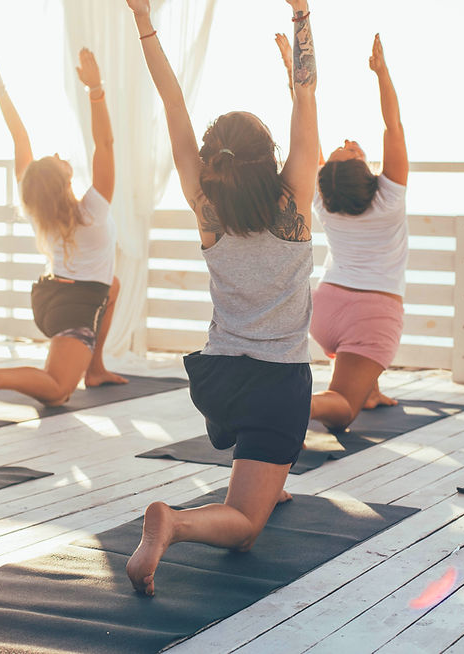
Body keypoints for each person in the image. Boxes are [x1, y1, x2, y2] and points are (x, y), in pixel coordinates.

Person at [123, 0, 319, 596]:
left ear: (215, 160)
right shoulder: (294, 206)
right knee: (244, 527)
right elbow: (307, 99)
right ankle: (174, 524)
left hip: (217, 382)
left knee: (263, 467)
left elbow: (173, 102)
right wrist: (302, 16)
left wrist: (143, 20)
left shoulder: (204, 205)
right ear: (272, 159)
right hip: (275, 384)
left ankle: (268, 475)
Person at [0, 47, 126, 421]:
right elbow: (105, 145)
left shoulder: (39, 208)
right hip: (76, 304)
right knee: (57, 392)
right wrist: (95, 89)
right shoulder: (92, 210)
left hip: (52, 294)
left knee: (114, 285)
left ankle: (95, 367)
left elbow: (19, 138)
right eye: (55, 158)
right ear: (64, 179)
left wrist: (0, 87)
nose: (56, 152)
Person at [276, 31, 408, 430]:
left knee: (360, 362)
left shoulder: (322, 198)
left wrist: (290, 71)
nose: (350, 141)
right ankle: (295, 407)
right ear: (359, 172)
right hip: (372, 315)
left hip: (326, 308)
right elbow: (394, 126)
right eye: (350, 150)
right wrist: (382, 74)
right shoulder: (388, 198)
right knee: (342, 412)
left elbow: (306, 128)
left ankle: (371, 388)